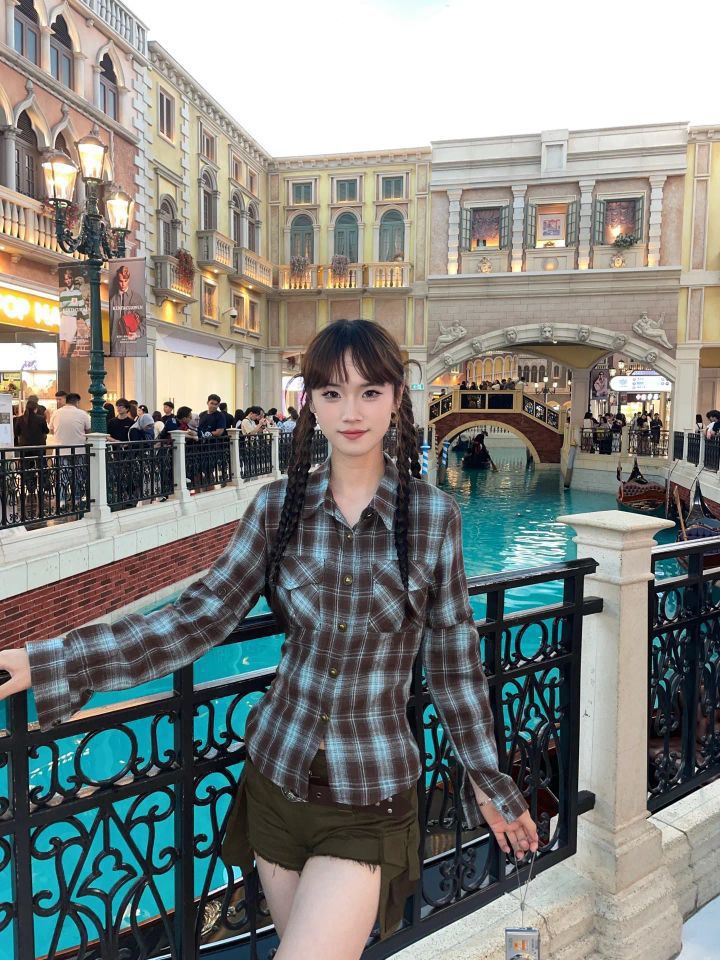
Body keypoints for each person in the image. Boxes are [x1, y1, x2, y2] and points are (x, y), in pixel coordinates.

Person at [0, 319, 537, 959]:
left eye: (369, 392)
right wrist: (51, 661)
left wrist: (486, 781)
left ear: (397, 397)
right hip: (276, 778)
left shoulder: (433, 518)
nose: (351, 412)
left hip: (368, 793)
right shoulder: (276, 508)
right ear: (311, 402)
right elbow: (195, 618)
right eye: (332, 393)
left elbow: (454, 667)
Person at [109, 264, 145, 357]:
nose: (123, 284)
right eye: (121, 281)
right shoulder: (112, 300)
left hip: (130, 348)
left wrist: (137, 333)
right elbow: (110, 325)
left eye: (125, 281)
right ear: (118, 280)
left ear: (128, 280)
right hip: (116, 348)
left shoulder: (136, 298)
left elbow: (144, 320)